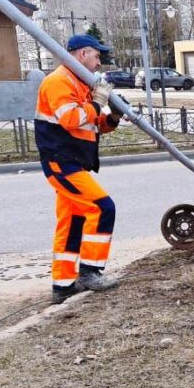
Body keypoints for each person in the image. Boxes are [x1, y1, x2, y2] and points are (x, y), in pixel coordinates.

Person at [35, 34, 124, 303]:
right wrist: (97, 101)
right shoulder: (58, 81)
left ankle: (62, 286)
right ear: (83, 53)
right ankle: (90, 272)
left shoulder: (79, 82)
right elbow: (71, 119)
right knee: (102, 207)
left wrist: (113, 117)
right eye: (97, 56)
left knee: (72, 221)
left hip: (72, 161)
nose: (99, 62)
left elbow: (93, 124)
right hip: (61, 161)